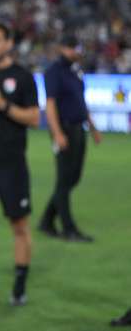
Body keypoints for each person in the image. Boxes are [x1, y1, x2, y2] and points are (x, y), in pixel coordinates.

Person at [0, 21, 39, 306]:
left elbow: (34, 119)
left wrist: (3, 104)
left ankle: (19, 286)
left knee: (19, 226)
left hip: (13, 163)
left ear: (9, 43)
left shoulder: (22, 77)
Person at [38, 34, 101, 242]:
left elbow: (80, 101)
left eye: (77, 48)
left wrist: (92, 127)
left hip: (78, 128)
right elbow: (51, 104)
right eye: (72, 48)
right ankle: (68, 228)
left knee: (73, 177)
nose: (76, 52)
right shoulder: (54, 72)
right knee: (64, 180)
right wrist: (57, 133)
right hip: (64, 128)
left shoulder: (75, 72)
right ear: (62, 48)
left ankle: (47, 221)